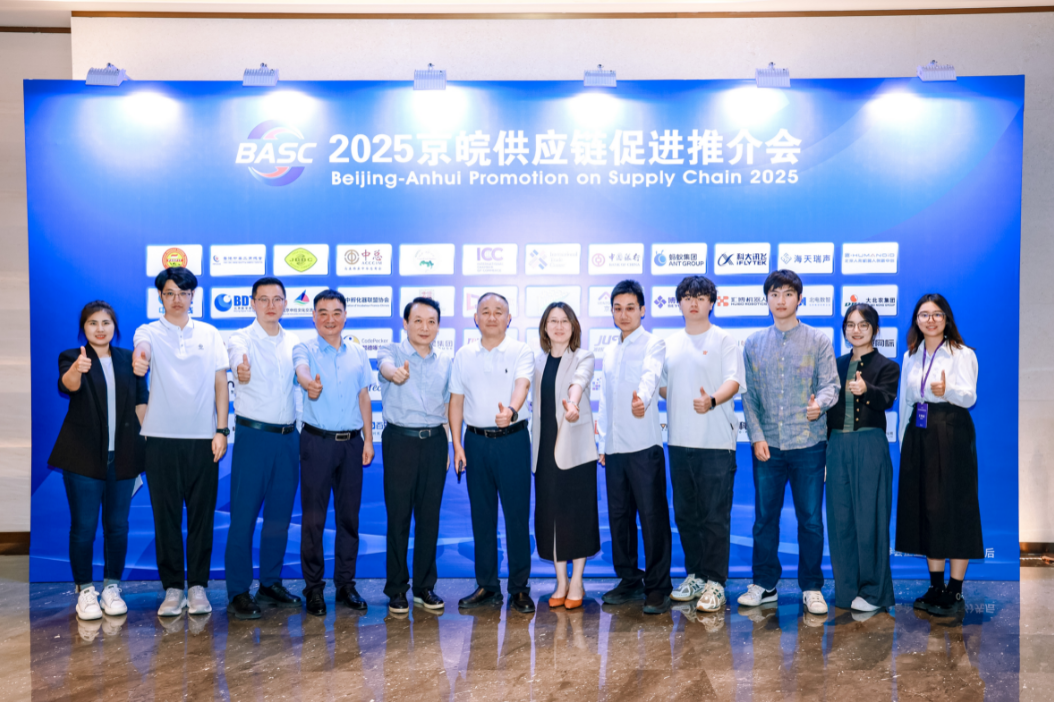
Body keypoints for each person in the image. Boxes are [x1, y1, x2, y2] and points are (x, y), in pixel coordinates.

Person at [740, 269, 839, 616]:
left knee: (810, 519)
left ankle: (811, 586)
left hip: (809, 444)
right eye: (774, 294)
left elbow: (831, 385)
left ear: (799, 298)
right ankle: (764, 584)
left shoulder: (818, 340)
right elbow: (749, 396)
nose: (780, 300)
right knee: (764, 518)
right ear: (767, 299)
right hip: (768, 445)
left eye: (787, 294)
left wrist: (819, 405)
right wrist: (757, 436)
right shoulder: (753, 343)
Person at [133, 267, 230, 617]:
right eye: (170, 293)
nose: (177, 299)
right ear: (161, 296)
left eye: (184, 293)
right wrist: (141, 358)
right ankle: (173, 588)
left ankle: (198, 586)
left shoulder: (210, 333)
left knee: (202, 516)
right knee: (167, 518)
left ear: (193, 296)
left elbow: (221, 384)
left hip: (203, 439)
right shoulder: (148, 331)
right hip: (160, 440)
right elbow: (142, 350)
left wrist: (222, 430)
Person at [49, 301, 148, 620]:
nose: (100, 328)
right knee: (84, 527)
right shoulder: (72, 356)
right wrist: (76, 370)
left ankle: (111, 587)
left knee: (117, 527)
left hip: (124, 458)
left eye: (106, 323)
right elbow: (69, 386)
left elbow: (141, 403)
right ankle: (85, 590)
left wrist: (146, 448)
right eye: (93, 323)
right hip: (83, 458)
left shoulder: (128, 359)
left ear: (114, 327)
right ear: (84, 327)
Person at [660, 276, 742, 614]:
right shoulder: (669, 344)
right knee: (686, 515)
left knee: (714, 516)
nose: (694, 303)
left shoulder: (723, 339)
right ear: (679, 303)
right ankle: (695, 575)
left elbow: (733, 381)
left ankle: (716, 582)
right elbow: (662, 385)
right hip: (679, 441)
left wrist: (712, 400)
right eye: (687, 297)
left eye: (701, 297)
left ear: (712, 302)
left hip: (716, 443)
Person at [449, 292, 536, 614]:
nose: (492, 316)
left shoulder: (521, 350)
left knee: (516, 518)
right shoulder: (463, 355)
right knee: (482, 517)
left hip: (512, 441)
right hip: (475, 442)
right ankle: (487, 585)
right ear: (475, 318)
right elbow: (456, 401)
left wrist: (510, 410)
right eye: (485, 311)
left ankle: (519, 588)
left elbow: (522, 384)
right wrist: (457, 444)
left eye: (499, 311)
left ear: (509, 318)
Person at [224, 277, 303, 620]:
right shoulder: (241, 338)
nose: (271, 305)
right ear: (253, 303)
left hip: (288, 439)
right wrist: (240, 368)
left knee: (279, 518)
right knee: (243, 517)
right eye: (264, 299)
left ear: (285, 303)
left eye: (277, 299)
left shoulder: (295, 342)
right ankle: (238, 590)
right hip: (253, 437)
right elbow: (237, 360)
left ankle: (270, 583)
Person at [896, 293, 981, 617]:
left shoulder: (962, 353)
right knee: (927, 508)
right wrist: (904, 443)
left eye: (936, 314)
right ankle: (935, 586)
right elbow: (907, 401)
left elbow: (970, 396)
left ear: (946, 319)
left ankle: (955, 590)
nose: (930, 320)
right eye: (924, 314)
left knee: (956, 507)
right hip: (919, 431)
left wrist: (949, 391)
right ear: (916, 320)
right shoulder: (911, 355)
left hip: (952, 429)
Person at [293, 289, 375, 616]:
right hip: (317, 443)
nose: (330, 319)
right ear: (313, 317)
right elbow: (301, 371)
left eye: (336, 312)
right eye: (323, 313)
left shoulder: (358, 352)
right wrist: (308, 384)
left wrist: (368, 440)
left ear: (345, 316)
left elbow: (364, 397)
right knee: (313, 520)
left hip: (352, 444)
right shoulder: (304, 349)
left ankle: (345, 585)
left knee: (349, 518)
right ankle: (314, 588)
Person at [597, 279, 672, 615]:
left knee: (652, 517)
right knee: (619, 517)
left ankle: (658, 587)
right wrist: (602, 442)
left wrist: (641, 398)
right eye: (618, 308)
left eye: (630, 308)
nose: (624, 314)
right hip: (614, 449)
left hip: (644, 447)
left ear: (642, 310)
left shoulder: (653, 343)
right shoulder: (610, 350)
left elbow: (650, 375)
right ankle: (629, 580)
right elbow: (605, 399)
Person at [377, 297, 452, 615]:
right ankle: (396, 588)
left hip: (435, 442)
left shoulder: (446, 360)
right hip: (400, 441)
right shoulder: (391, 352)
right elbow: (385, 368)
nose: (425, 327)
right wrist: (394, 374)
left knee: (429, 518)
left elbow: (448, 405)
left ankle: (424, 587)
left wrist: (449, 444)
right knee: (398, 518)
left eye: (431, 321)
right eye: (418, 320)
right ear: (405, 323)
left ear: (438, 326)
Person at [825, 303, 899, 612]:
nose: (856, 330)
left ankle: (873, 593)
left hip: (869, 445)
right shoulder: (835, 364)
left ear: (874, 329)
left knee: (870, 519)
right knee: (840, 519)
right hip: (836, 446)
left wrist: (866, 389)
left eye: (863, 325)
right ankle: (846, 590)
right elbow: (827, 408)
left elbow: (886, 399)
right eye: (850, 325)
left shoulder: (887, 366)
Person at [530, 302, 599, 611]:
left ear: (573, 327)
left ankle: (577, 581)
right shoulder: (537, 362)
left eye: (565, 321)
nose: (559, 326)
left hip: (576, 451)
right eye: (553, 321)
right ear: (545, 327)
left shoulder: (583, 356)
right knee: (550, 517)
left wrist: (572, 403)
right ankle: (560, 581)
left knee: (577, 516)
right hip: (545, 450)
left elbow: (578, 382)